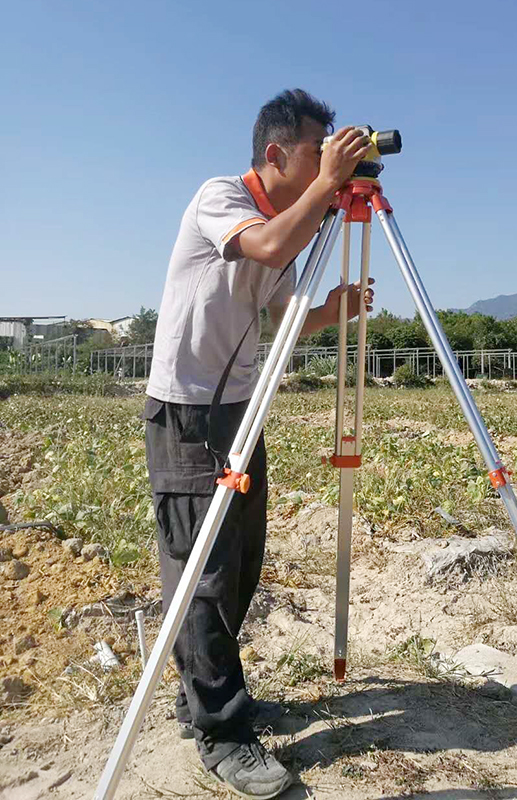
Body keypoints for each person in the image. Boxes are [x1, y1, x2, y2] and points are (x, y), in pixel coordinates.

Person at [143, 89, 375, 799]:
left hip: (242, 409)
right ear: (275, 153)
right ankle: (220, 732)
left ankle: (203, 697)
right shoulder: (221, 197)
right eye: (317, 149)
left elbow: (280, 314)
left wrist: (330, 311)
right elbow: (269, 245)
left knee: (240, 562)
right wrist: (329, 188)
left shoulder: (288, 224)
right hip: (188, 412)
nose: (329, 159)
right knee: (203, 572)